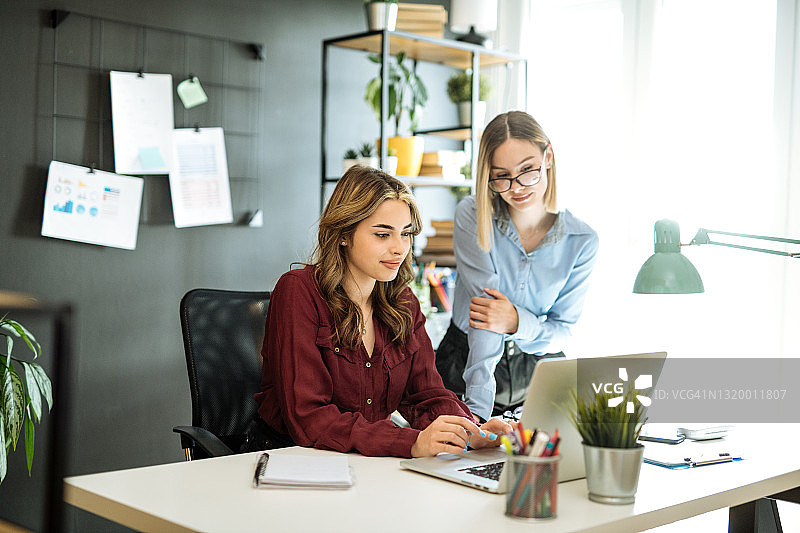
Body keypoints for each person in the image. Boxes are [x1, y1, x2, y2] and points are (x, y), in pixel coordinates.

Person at [254, 165, 511, 458]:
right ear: (343, 235)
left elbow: (426, 395)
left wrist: (470, 430)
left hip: (369, 465)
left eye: (406, 234)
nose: (400, 249)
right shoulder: (298, 292)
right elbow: (309, 418)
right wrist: (409, 443)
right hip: (292, 463)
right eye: (382, 235)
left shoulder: (403, 303)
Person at [436, 111, 599, 423]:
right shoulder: (471, 215)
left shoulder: (582, 240)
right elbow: (485, 317)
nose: (518, 186)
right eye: (502, 176)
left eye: (528, 170)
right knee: (460, 466)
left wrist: (516, 322)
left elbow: (563, 331)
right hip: (466, 364)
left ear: (548, 156)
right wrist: (476, 417)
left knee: (541, 470)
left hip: (538, 373)